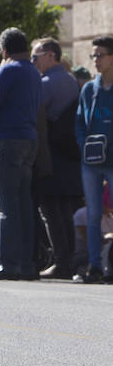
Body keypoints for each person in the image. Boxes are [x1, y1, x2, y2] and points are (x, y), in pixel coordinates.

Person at [0, 27, 42, 280]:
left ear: (4, 50)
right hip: (29, 139)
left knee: (5, 205)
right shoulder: (34, 71)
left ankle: (9, 263)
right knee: (24, 203)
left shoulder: (9, 68)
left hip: (7, 140)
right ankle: (26, 264)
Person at [30, 37, 82, 279]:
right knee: (64, 210)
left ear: (51, 55)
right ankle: (68, 259)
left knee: (51, 210)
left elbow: (35, 117)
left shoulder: (46, 83)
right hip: (69, 155)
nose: (33, 61)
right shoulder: (71, 80)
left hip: (51, 155)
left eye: (35, 56)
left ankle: (61, 261)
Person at [74, 35, 113, 283]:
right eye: (94, 55)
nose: (95, 60)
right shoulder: (89, 89)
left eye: (100, 55)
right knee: (93, 214)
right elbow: (79, 122)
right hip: (92, 161)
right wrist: (84, 146)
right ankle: (95, 266)